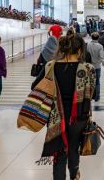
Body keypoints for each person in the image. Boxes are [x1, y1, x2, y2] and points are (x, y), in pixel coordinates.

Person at [32, 30, 95, 180]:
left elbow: (35, 86)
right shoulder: (88, 69)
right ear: (80, 50)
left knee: (59, 151)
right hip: (78, 115)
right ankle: (74, 174)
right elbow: (94, 94)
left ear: (62, 49)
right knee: (73, 146)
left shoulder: (50, 67)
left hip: (55, 116)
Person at [87, 32, 104, 102]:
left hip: (89, 66)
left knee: (89, 82)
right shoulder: (100, 46)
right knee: (97, 82)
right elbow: (101, 58)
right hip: (97, 67)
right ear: (98, 38)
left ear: (91, 37)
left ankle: (90, 96)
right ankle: (97, 97)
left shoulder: (88, 45)